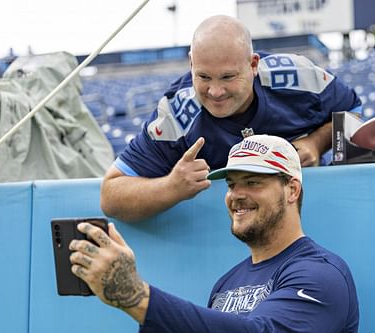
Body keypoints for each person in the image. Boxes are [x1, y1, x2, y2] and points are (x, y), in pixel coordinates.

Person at [70, 134, 359, 332]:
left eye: (253, 182)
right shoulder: (227, 282)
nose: (237, 195)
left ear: (292, 190)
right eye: (232, 184)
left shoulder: (321, 273)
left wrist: (136, 296)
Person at [100, 15, 362, 222]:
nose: (215, 92)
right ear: (191, 64)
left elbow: (353, 113)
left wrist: (316, 143)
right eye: (203, 77)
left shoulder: (300, 77)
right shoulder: (175, 116)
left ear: (253, 64)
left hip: (313, 218)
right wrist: (171, 187)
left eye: (227, 77)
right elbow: (111, 195)